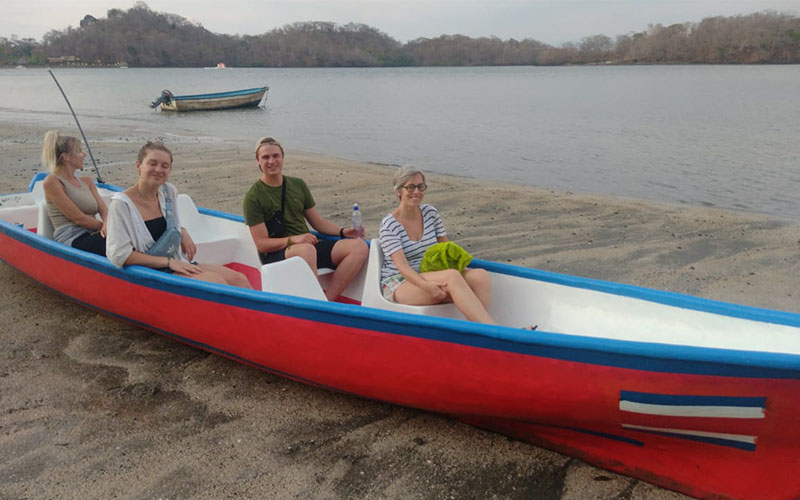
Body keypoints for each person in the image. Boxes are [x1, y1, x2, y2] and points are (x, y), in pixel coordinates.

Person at [105, 141, 251, 288]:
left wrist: (182, 231)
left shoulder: (168, 192)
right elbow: (119, 255)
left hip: (177, 263)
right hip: (150, 271)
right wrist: (168, 262)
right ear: (139, 166)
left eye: (165, 166)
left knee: (239, 279)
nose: (158, 169)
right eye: (152, 163)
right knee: (216, 282)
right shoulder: (121, 205)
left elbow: (169, 224)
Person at [243, 136, 368, 301]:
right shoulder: (253, 197)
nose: (271, 161)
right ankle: (314, 301)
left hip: (307, 245)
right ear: (258, 161)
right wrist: (294, 240)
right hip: (277, 251)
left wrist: (344, 232)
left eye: (275, 156)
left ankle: (327, 301)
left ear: (283, 157)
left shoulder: (298, 185)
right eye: (266, 157)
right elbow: (262, 244)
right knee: (306, 249)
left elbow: (318, 223)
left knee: (359, 247)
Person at [379, 166, 497, 325]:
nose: (417, 191)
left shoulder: (430, 213)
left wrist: (461, 264)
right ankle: (493, 330)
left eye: (421, 187)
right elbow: (402, 267)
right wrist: (427, 286)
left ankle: (474, 333)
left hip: (430, 272)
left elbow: (445, 248)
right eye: (411, 187)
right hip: (400, 282)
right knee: (452, 276)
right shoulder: (389, 225)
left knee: (480, 276)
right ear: (399, 191)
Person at [41, 131, 108, 255]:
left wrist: (108, 224)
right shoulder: (52, 182)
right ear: (66, 157)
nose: (84, 154)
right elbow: (79, 219)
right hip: (73, 239)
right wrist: (106, 228)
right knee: (120, 240)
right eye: (80, 151)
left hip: (92, 234)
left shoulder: (87, 181)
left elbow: (104, 209)